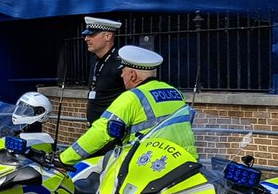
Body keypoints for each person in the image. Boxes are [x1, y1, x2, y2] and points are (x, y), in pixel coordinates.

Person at [60, 46, 189, 166]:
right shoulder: (176, 93)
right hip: (183, 163)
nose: (121, 75)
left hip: (149, 165)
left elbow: (101, 131)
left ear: (132, 75)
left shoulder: (133, 97)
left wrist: (63, 159)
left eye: (123, 71)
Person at [81, 16, 123, 123]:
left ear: (108, 36)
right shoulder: (94, 60)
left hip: (112, 129)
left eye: (91, 35)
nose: (86, 39)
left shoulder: (120, 63)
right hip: (95, 128)